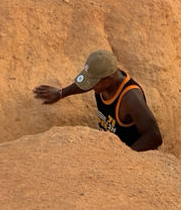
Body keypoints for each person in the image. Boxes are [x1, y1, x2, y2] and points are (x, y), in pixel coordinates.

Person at [33, 49, 162, 152]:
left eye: (93, 83)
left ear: (108, 79)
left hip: (129, 154)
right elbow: (86, 84)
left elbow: (154, 136)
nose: (90, 86)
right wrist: (61, 93)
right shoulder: (105, 78)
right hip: (108, 149)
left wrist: (126, 158)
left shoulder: (130, 98)